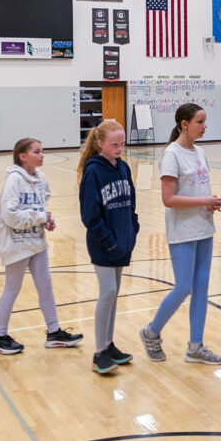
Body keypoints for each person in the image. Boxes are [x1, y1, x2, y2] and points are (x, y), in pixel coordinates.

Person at [140, 104, 221, 365]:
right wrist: (202, 201)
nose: (205, 126)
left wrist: (208, 202)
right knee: (183, 287)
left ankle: (196, 346)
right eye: (200, 121)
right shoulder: (171, 155)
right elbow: (169, 199)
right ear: (184, 124)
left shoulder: (200, 152)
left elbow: (197, 190)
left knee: (201, 289)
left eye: (205, 120)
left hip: (203, 228)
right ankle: (151, 331)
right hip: (183, 232)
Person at [0, 138, 83, 354]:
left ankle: (54, 332)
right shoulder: (13, 180)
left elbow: (41, 208)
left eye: (42, 151)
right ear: (23, 156)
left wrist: (47, 220)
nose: (42, 155)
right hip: (16, 243)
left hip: (36, 242)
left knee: (45, 285)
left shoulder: (40, 179)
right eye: (37, 152)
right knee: (12, 288)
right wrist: (39, 217)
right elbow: (9, 216)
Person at [78, 120, 138, 374]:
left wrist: (132, 231)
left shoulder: (123, 168)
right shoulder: (93, 172)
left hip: (123, 242)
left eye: (122, 143)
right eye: (114, 144)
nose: (119, 148)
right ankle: (99, 352)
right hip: (103, 244)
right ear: (100, 143)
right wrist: (109, 240)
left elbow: (131, 204)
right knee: (107, 292)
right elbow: (89, 215)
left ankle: (109, 343)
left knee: (114, 295)